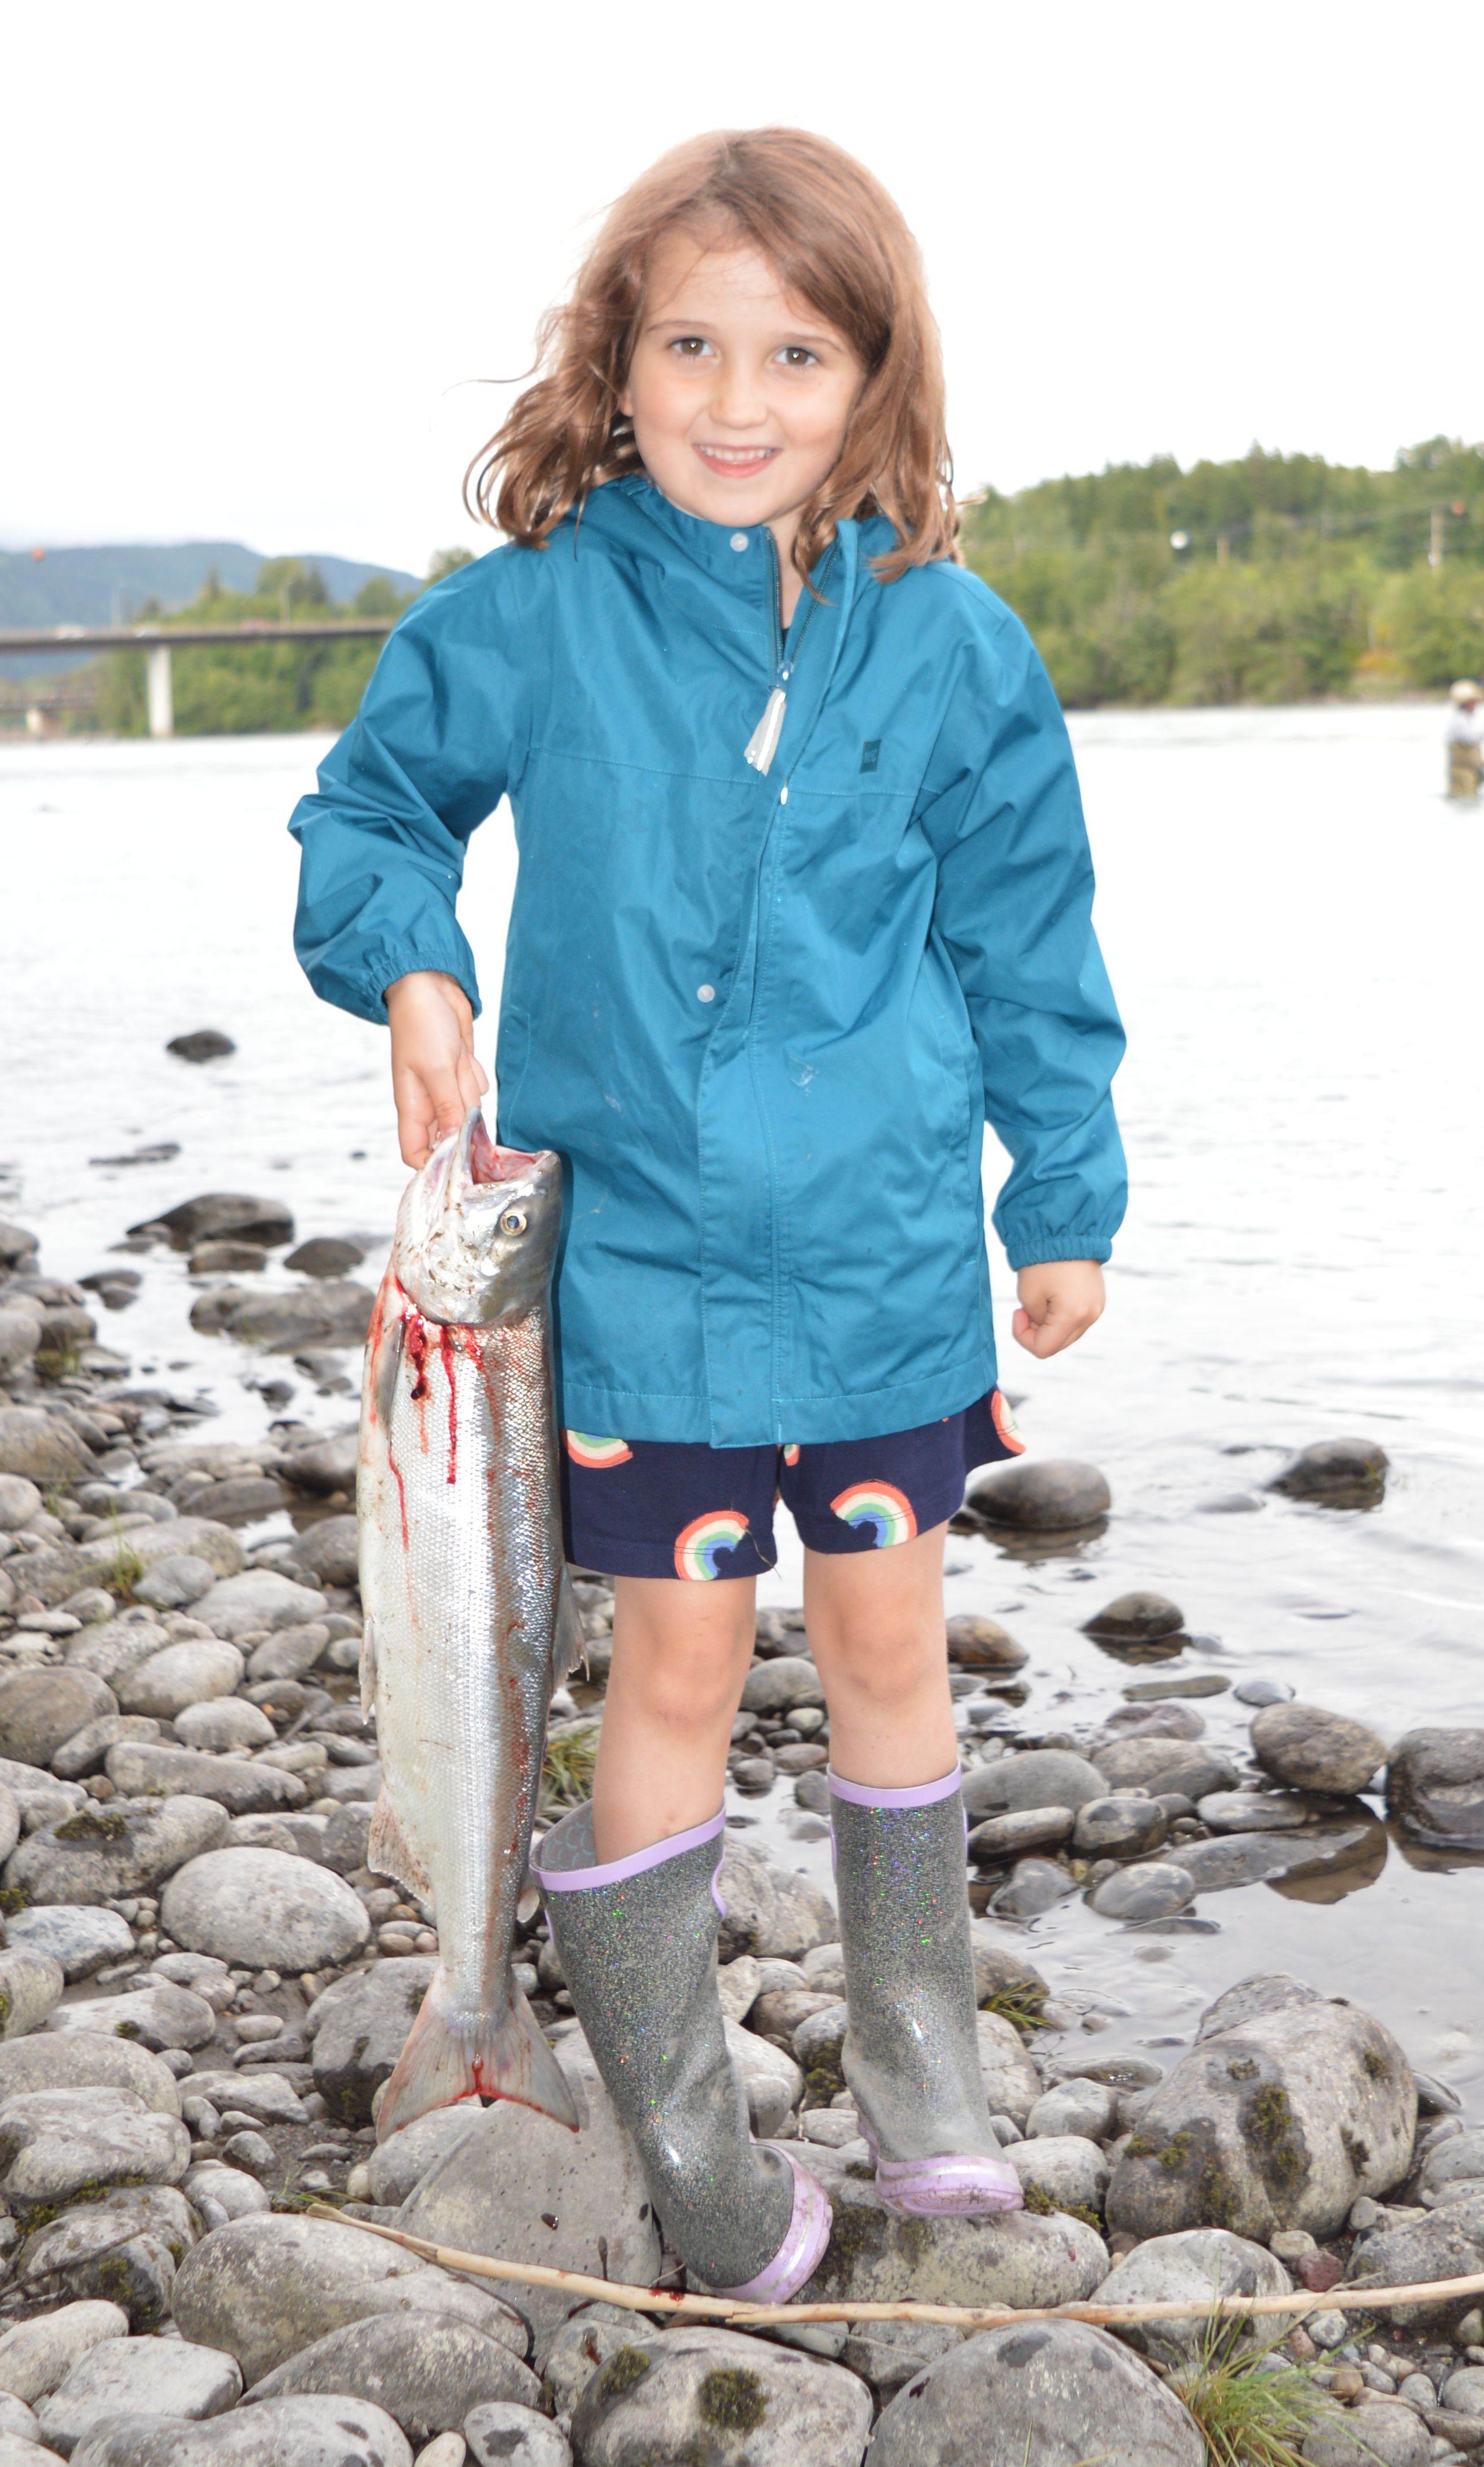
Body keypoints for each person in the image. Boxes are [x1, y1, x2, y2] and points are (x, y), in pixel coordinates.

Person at [289, 128, 1125, 2302]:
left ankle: (926, 2073)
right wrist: (411, 957)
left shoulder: (954, 647)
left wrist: (1069, 1189)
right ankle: (683, 2141)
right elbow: (371, 806)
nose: (736, 397)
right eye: (689, 343)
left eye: (793, 349)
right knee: (664, 1653)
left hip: (880, 1277)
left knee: (886, 1639)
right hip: (635, 1280)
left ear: (872, 377)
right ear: (615, 356)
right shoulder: (531, 618)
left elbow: (1033, 940)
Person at [1446, 678, 1484, 797]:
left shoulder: (1466, 719)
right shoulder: (1458, 720)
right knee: (1464, 799)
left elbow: (1470, 746)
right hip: (1462, 774)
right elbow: (1472, 738)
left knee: (1471, 799)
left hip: (1471, 772)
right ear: (1466, 702)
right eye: (1474, 701)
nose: (1476, 704)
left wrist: (1480, 761)